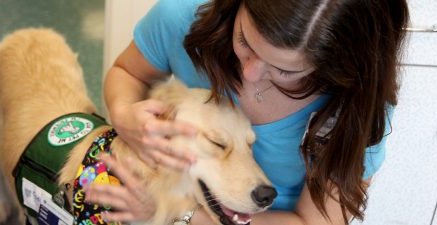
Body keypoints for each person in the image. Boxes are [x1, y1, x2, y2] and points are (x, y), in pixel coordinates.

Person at [84, 0, 409, 224]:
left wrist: (175, 213)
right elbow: (129, 73)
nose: (250, 74)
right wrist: (124, 113)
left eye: (284, 70)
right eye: (245, 41)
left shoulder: (356, 109)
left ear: (335, 66)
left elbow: (313, 223)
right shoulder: (183, 15)